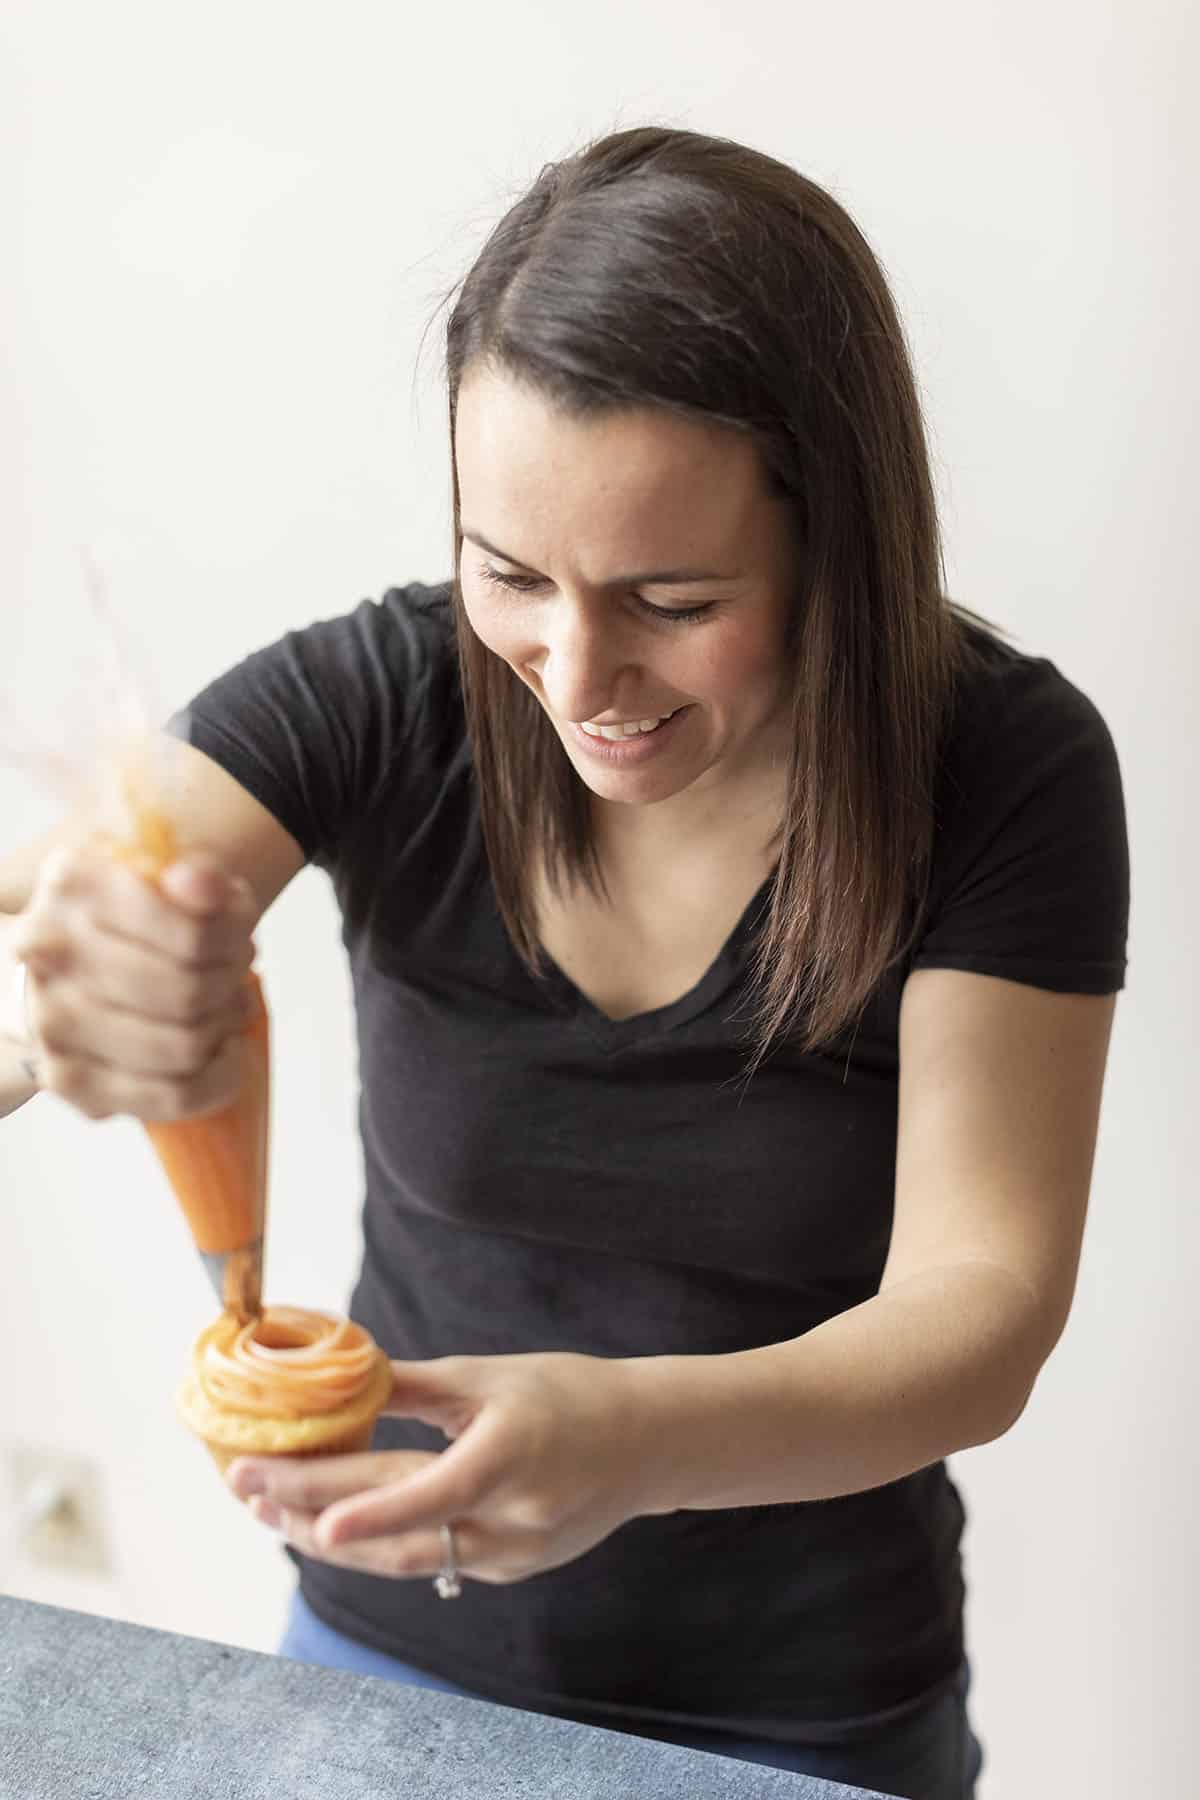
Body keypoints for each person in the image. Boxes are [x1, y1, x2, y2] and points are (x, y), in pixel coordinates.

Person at [0, 127, 1128, 1799]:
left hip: (810, 1720)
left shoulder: (1005, 770)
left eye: (672, 597)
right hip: (377, 1650)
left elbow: (982, 1314)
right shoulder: (381, 695)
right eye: (511, 574)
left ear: (838, 539)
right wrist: (65, 972)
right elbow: (83, 895)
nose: (576, 670)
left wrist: (639, 1441)